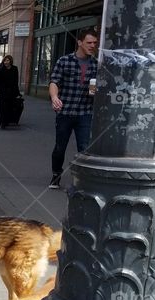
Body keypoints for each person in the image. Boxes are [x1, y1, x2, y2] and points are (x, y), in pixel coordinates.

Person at [48, 29, 98, 189]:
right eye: (89, 42)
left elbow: (97, 89)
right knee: (60, 147)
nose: (92, 46)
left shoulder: (96, 64)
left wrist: (97, 92)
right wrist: (55, 97)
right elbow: (54, 82)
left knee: (84, 148)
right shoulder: (64, 61)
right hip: (66, 111)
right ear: (80, 42)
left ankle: (82, 180)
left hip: (85, 112)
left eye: (95, 43)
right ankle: (56, 174)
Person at [0, 54, 20, 129]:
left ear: (10, 61)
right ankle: (2, 122)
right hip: (3, 91)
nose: (6, 62)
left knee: (9, 106)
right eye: (5, 60)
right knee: (3, 106)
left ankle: (7, 120)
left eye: (8, 60)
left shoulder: (14, 69)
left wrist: (17, 92)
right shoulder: (0, 69)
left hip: (11, 91)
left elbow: (16, 81)